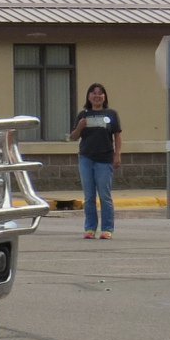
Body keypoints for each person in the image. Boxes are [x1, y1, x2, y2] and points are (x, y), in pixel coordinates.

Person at [67, 83, 122, 240]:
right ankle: (90, 228)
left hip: (105, 159)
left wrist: (117, 154)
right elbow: (73, 137)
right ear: (89, 96)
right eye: (93, 93)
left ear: (104, 96)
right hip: (86, 158)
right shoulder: (83, 114)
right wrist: (79, 127)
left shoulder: (111, 114)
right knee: (89, 196)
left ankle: (107, 229)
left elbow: (117, 136)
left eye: (100, 93)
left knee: (104, 195)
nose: (97, 96)